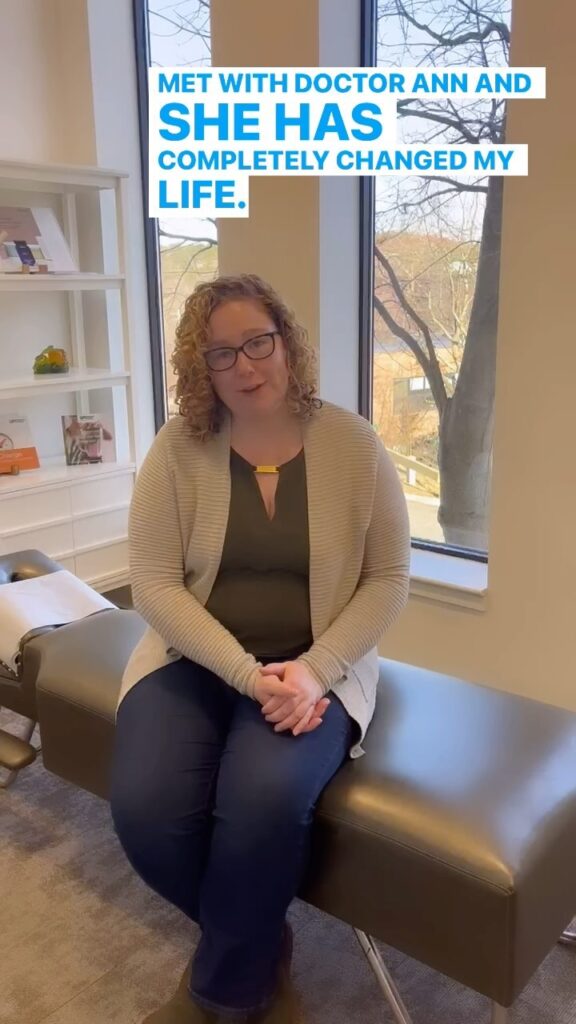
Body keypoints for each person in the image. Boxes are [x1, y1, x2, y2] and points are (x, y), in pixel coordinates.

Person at [109, 274, 411, 1024]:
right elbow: (153, 584)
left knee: (263, 803)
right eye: (221, 354)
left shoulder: (354, 443)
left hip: (315, 669)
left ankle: (223, 994)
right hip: (192, 661)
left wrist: (314, 672)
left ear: (286, 343)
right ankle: (257, 938)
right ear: (201, 368)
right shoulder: (178, 449)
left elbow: (388, 577)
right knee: (146, 813)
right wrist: (247, 675)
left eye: (257, 343)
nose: (245, 367)